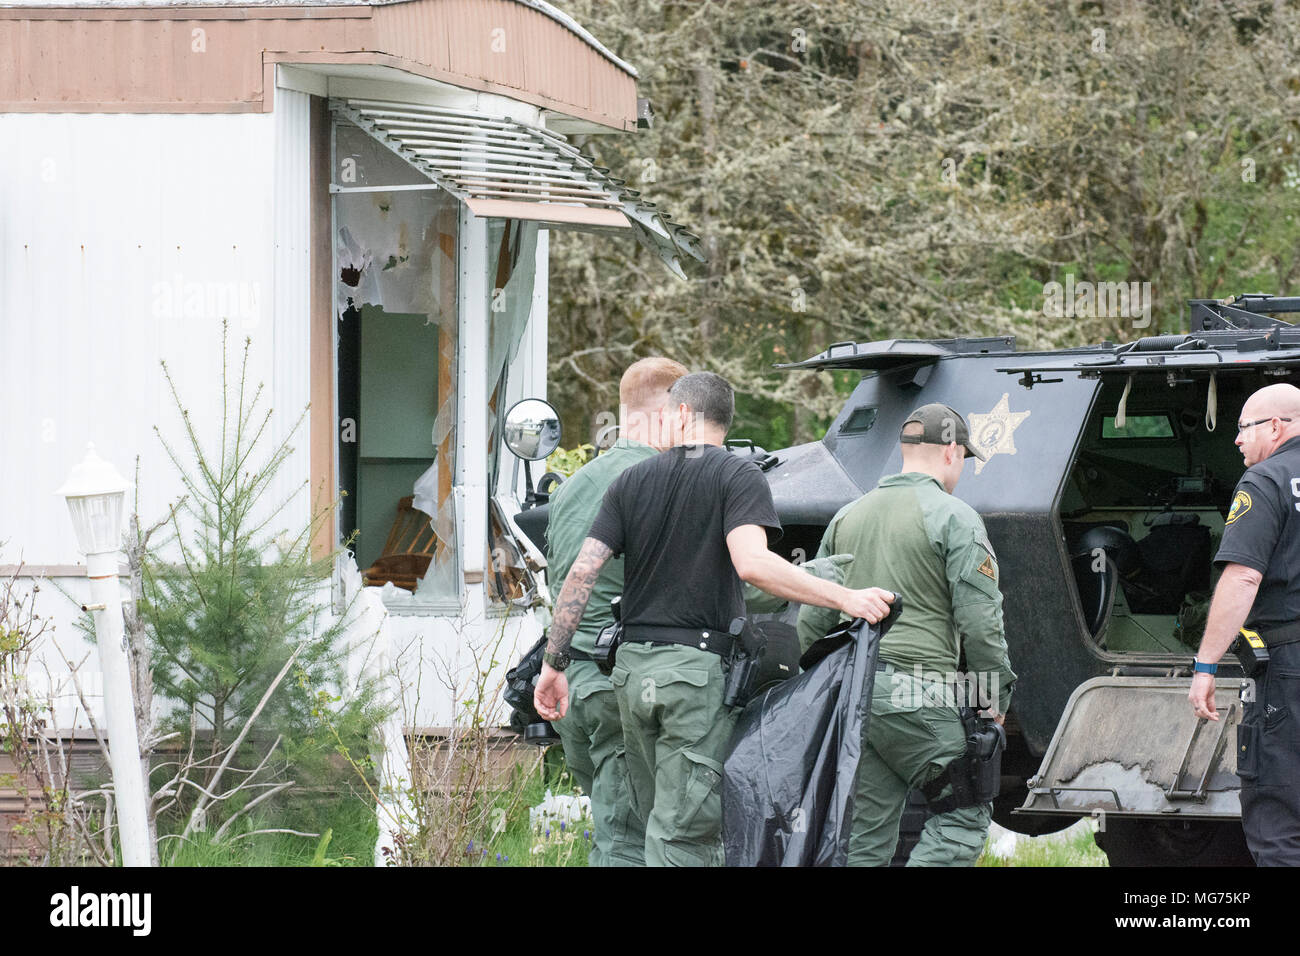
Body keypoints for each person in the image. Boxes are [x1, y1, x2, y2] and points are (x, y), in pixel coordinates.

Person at [535, 371, 895, 866]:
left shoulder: (631, 479)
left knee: (641, 830)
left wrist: (553, 663)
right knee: (683, 836)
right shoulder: (737, 476)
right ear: (727, 420)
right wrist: (845, 598)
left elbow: (582, 572)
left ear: (681, 413)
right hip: (693, 679)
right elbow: (753, 565)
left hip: (630, 673)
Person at [798, 404, 1016, 866]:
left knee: (864, 835)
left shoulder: (846, 517)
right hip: (919, 695)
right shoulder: (955, 517)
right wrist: (994, 701)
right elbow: (980, 622)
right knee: (965, 812)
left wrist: (827, 692)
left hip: (856, 697)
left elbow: (813, 619)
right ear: (953, 452)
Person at [546, 356, 687, 866]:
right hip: (618, 685)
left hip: (570, 685)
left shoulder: (574, 484)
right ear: (671, 410)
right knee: (627, 841)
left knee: (612, 823)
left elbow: (560, 577)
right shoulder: (661, 483)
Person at [1189, 382, 1300, 865]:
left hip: (1289, 670)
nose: (1236, 440)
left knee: (1278, 817)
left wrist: (1206, 665)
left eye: (1244, 428)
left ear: (1276, 427)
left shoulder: (1266, 481)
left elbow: (1243, 577)